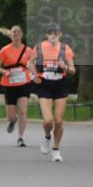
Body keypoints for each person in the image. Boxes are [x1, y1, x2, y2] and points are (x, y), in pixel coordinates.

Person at [32, 23, 76, 162]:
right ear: (47, 35)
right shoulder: (39, 47)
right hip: (44, 84)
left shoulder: (65, 48)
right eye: (50, 33)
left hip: (60, 84)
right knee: (47, 120)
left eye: (56, 33)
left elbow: (73, 70)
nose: (53, 35)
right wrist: (35, 76)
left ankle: (56, 149)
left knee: (58, 120)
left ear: (60, 35)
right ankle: (47, 137)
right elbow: (30, 63)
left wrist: (66, 68)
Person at [0, 25, 34, 147]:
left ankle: (20, 137)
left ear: (22, 34)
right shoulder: (5, 50)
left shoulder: (28, 50)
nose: (16, 33)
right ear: (11, 35)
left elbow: (32, 66)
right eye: (13, 32)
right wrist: (5, 72)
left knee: (22, 111)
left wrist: (35, 75)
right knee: (11, 115)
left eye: (18, 32)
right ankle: (12, 121)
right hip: (9, 83)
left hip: (24, 83)